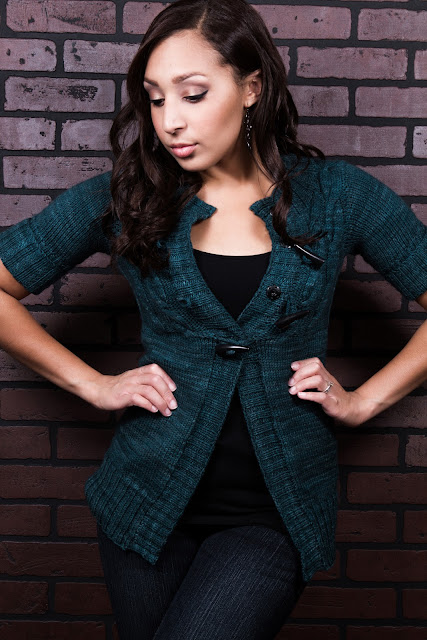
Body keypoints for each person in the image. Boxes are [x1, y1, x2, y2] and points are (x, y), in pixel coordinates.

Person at [0, 0, 426, 638]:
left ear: (251, 87)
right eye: (155, 99)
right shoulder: (131, 195)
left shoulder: (337, 197)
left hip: (272, 513)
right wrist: (93, 384)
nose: (170, 120)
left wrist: (365, 401)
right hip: (145, 503)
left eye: (193, 94)